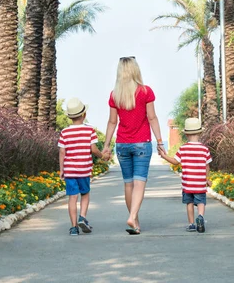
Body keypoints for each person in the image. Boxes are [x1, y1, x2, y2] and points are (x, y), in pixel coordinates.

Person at [102, 57, 164, 235]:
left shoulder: (115, 94)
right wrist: (160, 141)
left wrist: (106, 145)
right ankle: (133, 216)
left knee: (128, 184)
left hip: (122, 144)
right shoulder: (146, 92)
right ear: (135, 70)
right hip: (142, 144)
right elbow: (152, 118)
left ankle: (135, 222)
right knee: (139, 183)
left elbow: (112, 122)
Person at [58, 98, 107, 236]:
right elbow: (93, 149)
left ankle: (74, 227)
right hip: (84, 170)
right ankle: (82, 218)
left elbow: (62, 151)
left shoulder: (65, 132)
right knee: (85, 194)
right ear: (84, 114)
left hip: (70, 170)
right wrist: (102, 155)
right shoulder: (89, 130)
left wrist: (62, 169)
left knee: (72, 198)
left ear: (69, 117)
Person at [158, 118, 212, 233]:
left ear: (186, 134)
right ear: (200, 133)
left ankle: (191, 224)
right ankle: (201, 217)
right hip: (200, 184)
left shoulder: (183, 149)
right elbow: (207, 166)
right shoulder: (204, 149)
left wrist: (164, 156)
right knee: (201, 202)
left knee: (189, 203)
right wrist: (207, 179)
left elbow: (175, 161)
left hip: (188, 185)